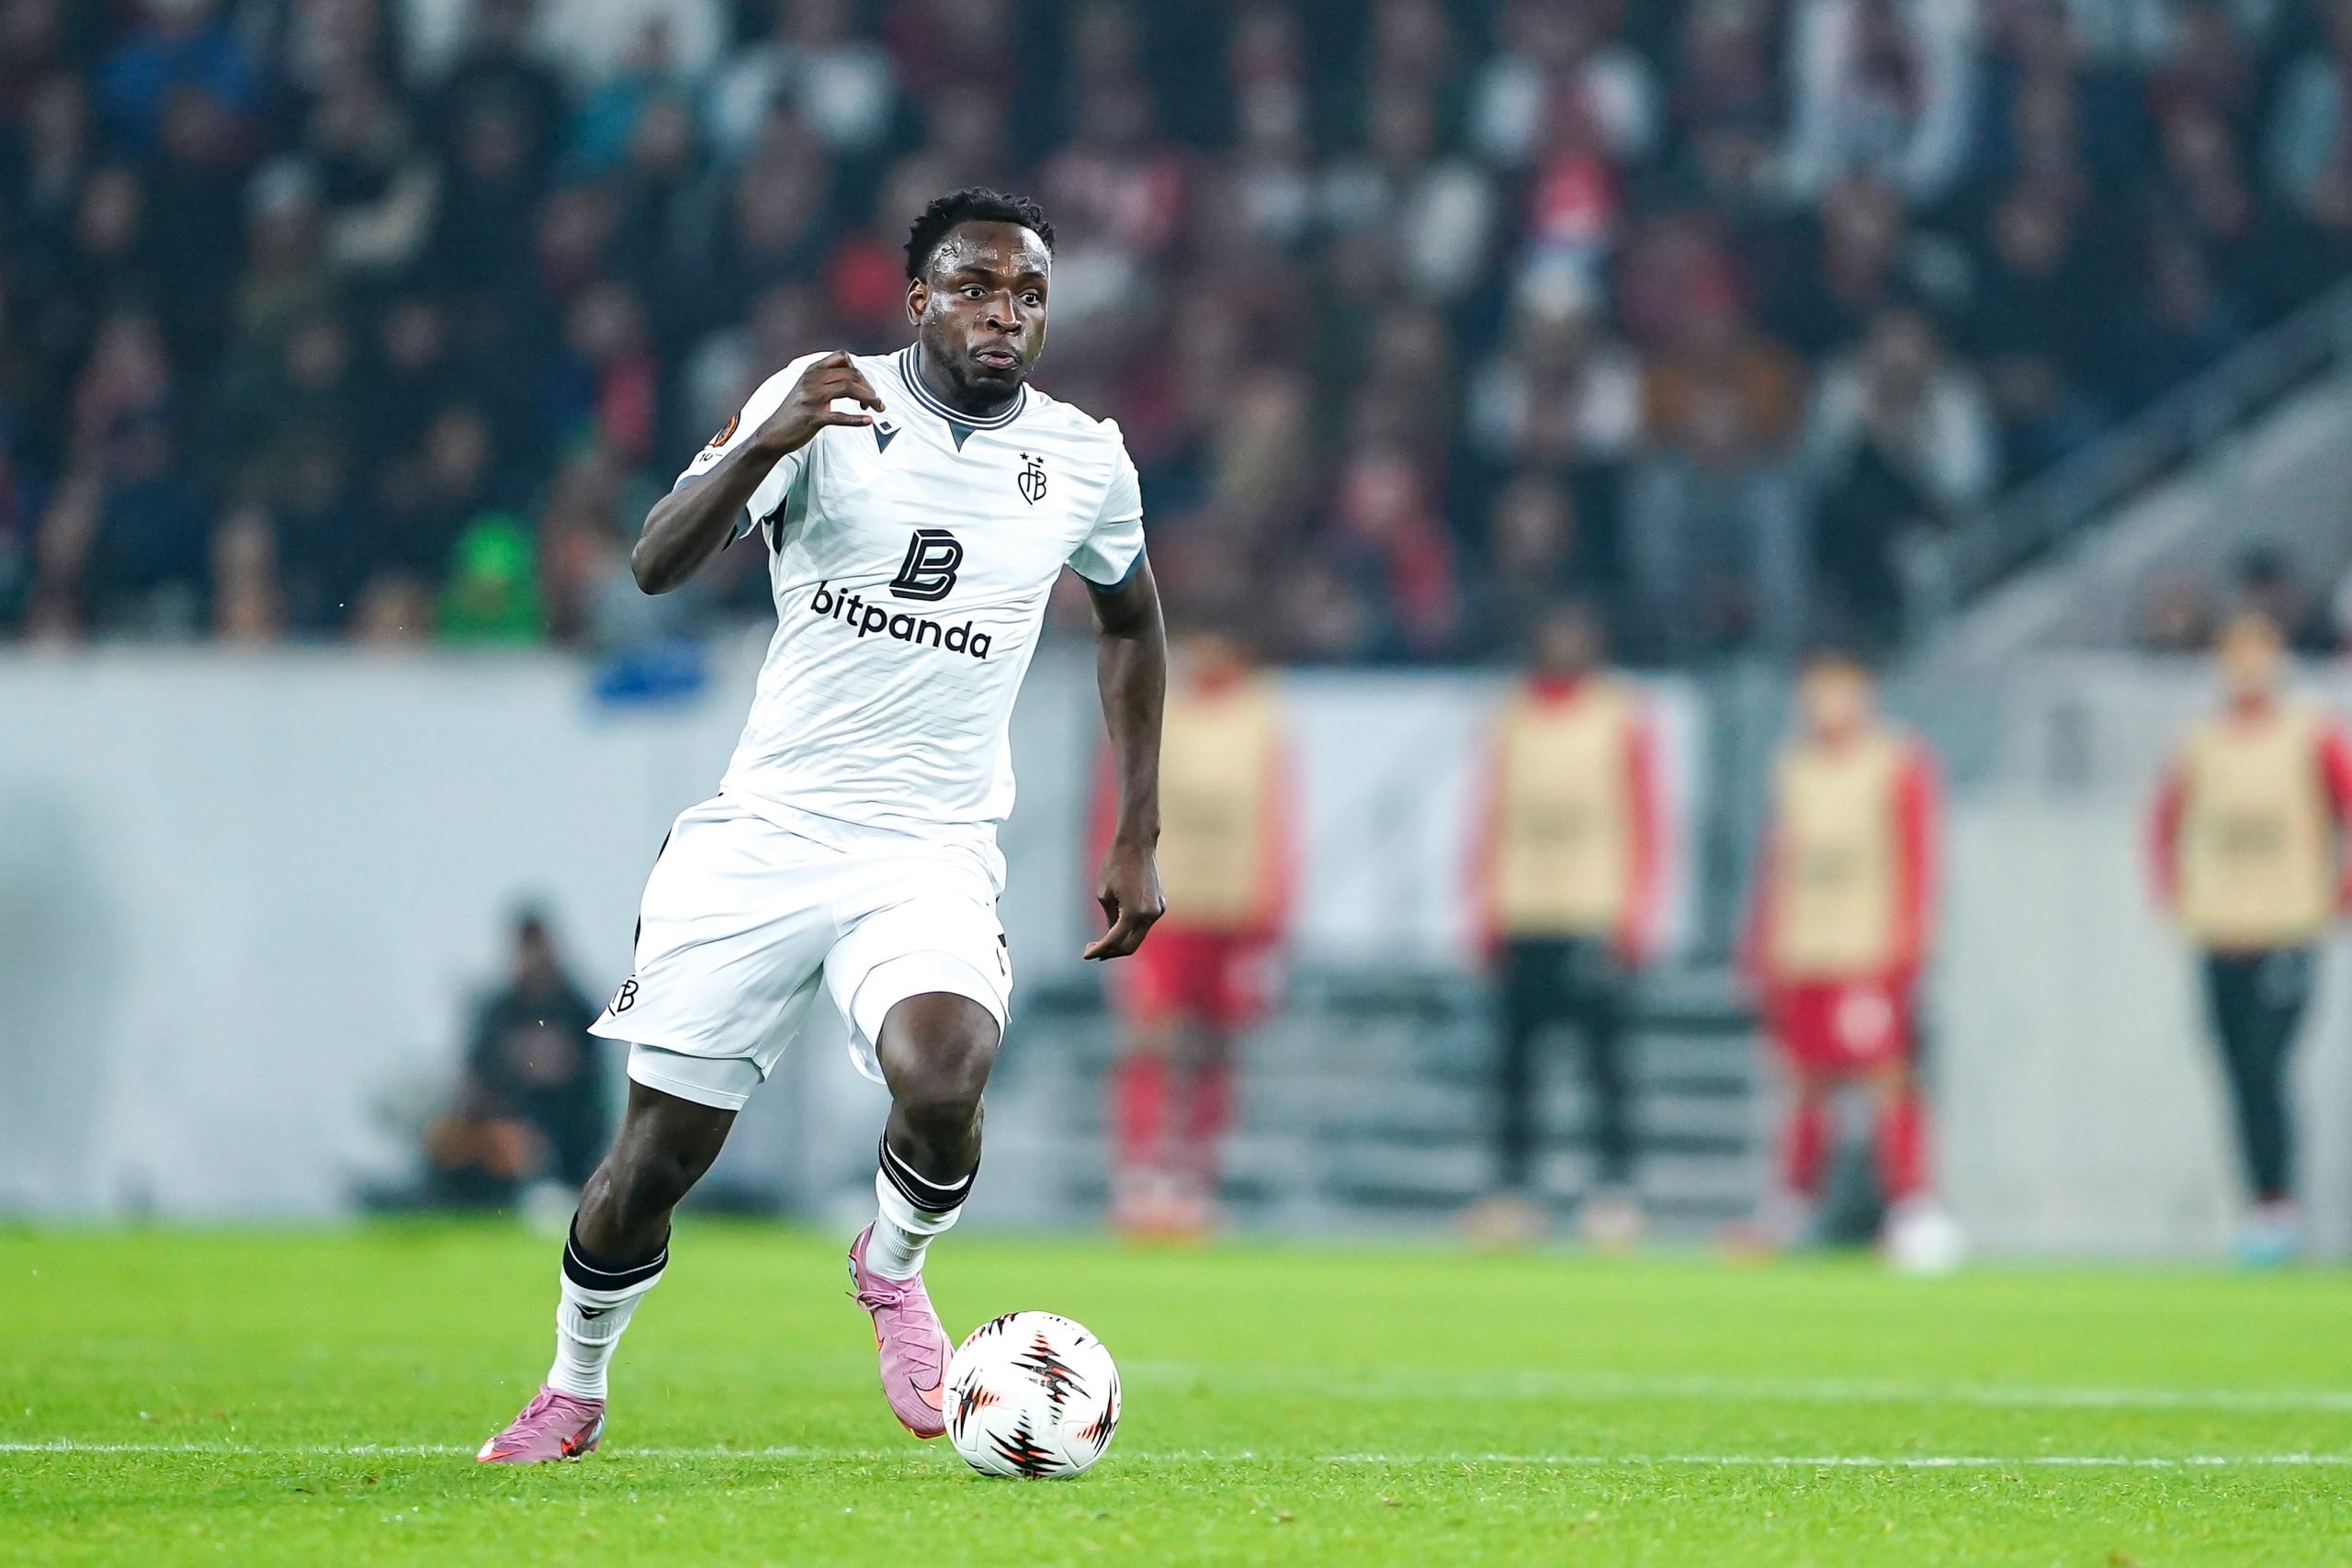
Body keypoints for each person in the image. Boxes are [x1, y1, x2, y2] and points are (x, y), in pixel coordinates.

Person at [479, 188, 1167, 1462]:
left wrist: (1138, 832)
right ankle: (575, 1381)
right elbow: (654, 562)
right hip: (765, 837)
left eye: (1027, 294)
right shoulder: (824, 400)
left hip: (929, 850)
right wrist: (763, 442)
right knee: (651, 1165)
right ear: (918, 300)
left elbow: (1131, 622)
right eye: (974, 286)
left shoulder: (1082, 459)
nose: (1004, 313)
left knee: (947, 1071)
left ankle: (891, 1267)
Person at [2147, 612, 2352, 1266]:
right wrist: (2176, 895)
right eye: (2236, 655)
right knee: (2237, 1072)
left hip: (2287, 930)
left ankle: (2278, 1202)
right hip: (2219, 932)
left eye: (2259, 654)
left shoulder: (2310, 733)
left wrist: (2339, 893)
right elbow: (2164, 822)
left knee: (2266, 1068)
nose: (2247, 668)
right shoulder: (2200, 742)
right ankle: (2260, 1203)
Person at [1740, 648, 1955, 1267]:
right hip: (1803, 947)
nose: (1826, 705)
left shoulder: (1896, 761)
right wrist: (1760, 943)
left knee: (1887, 1077)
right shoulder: (1793, 765)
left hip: (1867, 947)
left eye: (1838, 690)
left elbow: (1917, 854)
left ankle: (1916, 1209)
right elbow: (1777, 861)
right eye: (1816, 692)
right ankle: (1791, 1206)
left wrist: (1910, 942)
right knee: (1804, 1083)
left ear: (1864, 695)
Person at [1460, 605, 1665, 1249]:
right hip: (1524, 908)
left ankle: (1615, 1190)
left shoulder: (1619, 715)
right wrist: (1483, 907)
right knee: (1515, 1066)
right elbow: (1489, 814)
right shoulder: (1510, 717)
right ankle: (1514, 1191)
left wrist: (1636, 913)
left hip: (1592, 907)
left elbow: (1645, 816)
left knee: (1605, 1064)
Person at [1100, 627, 1294, 1241]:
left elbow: (1278, 817)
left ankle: (1193, 1181)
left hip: (1233, 909)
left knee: (1214, 1049)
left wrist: (1274, 916)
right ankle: (1140, 1178)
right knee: (1150, 1042)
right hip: (1161, 906)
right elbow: (1114, 808)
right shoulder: (1150, 711)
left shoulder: (1262, 717)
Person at [421, 908, 609, 1208]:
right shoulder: (498, 1010)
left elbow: (593, 1084)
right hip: (503, 1122)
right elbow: (476, 1073)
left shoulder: (576, 1009)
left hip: (563, 1130)